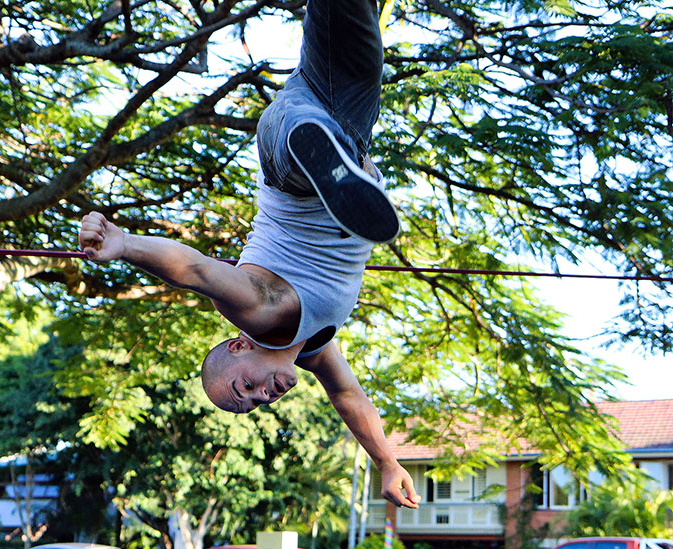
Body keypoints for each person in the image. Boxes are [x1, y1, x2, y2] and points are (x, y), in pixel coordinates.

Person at [78, 0, 420, 510]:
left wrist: (125, 245)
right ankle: (331, 156)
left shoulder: (261, 314)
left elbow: (196, 271)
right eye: (255, 404)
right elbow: (348, 396)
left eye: (245, 390)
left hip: (288, 143)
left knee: (299, 148)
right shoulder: (310, 348)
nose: (263, 398)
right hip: (347, 116)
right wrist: (387, 461)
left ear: (239, 349)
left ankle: (316, 156)